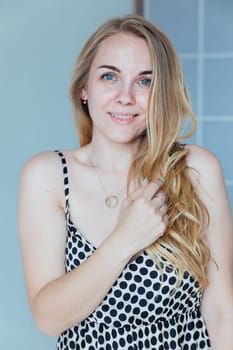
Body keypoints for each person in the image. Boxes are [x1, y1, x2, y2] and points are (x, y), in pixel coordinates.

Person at [18, 14, 233, 350]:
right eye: (109, 77)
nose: (126, 96)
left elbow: (222, 311)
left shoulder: (196, 169)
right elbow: (48, 319)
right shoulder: (48, 176)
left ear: (162, 93)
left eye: (145, 81)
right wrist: (124, 240)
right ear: (84, 89)